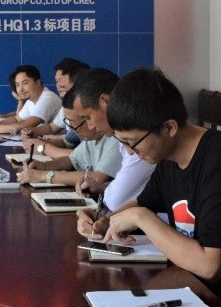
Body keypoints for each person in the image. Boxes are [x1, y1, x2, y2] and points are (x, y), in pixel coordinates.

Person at [77, 68, 221, 307]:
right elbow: (139, 206)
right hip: (196, 297)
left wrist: (141, 217)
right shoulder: (168, 160)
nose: (130, 152)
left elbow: (210, 266)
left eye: (133, 142)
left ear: (169, 127)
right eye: (123, 143)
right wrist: (102, 221)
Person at [70, 68, 155, 212]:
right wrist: (102, 187)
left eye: (88, 117)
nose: (90, 126)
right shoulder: (125, 141)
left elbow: (115, 201)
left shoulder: (141, 138)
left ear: (105, 101)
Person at [16, 87, 121, 188]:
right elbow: (72, 160)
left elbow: (98, 178)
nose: (91, 125)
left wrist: (43, 176)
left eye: (87, 118)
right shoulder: (92, 137)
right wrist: (44, 166)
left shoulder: (117, 138)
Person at [21, 57, 90, 159]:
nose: (58, 85)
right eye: (56, 81)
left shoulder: (89, 114)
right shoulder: (68, 106)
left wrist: (43, 147)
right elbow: (68, 141)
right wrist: (37, 139)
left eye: (61, 80)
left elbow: (83, 156)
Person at [0, 64, 62, 135]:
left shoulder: (47, 99)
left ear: (38, 82)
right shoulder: (31, 100)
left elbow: (23, 126)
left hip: (60, 143)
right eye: (17, 85)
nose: (21, 89)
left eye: (25, 83)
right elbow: (17, 119)